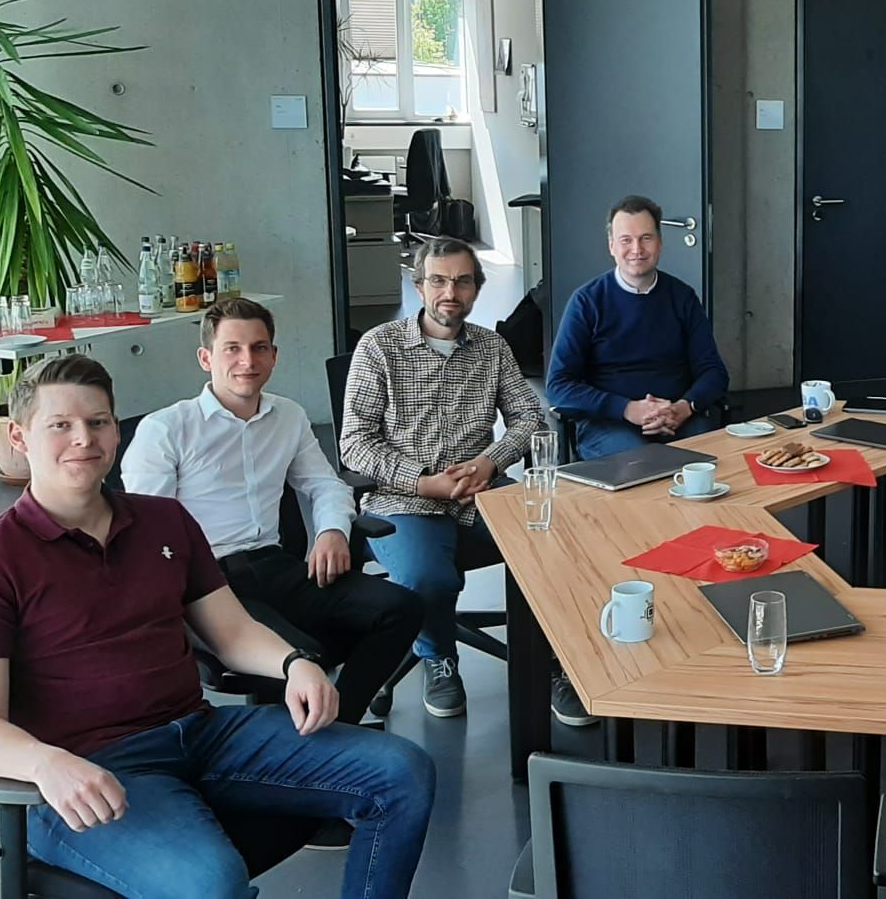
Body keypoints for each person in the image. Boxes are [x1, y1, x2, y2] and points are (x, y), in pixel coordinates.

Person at [0, 355, 434, 899]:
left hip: (198, 733)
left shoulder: (163, 521)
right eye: (61, 425)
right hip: (85, 773)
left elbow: (231, 632)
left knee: (401, 771)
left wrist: (294, 664)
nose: (84, 438)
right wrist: (45, 763)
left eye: (98, 422)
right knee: (210, 883)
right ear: (18, 435)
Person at [122, 297, 423, 731]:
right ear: (206, 358)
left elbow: (324, 485)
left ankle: (341, 729)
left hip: (275, 566)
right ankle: (309, 742)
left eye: (260, 348)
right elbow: (150, 533)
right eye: (233, 349)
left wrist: (333, 532)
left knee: (402, 607)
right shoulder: (167, 429)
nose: (248, 360)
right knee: (302, 656)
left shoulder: (288, 416)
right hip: (209, 584)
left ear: (274, 355)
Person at [341, 236, 544, 720]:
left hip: (482, 491)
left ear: (476, 288)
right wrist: (422, 480)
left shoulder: (492, 347)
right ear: (419, 286)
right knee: (429, 577)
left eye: (462, 281)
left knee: (553, 543)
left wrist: (492, 461)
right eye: (438, 280)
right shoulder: (379, 346)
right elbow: (354, 443)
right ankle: (440, 657)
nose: (449, 292)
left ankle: (548, 663)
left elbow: (528, 417)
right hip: (403, 499)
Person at [545, 194, 730, 460]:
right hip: (610, 423)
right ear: (611, 246)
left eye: (646, 238)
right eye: (626, 240)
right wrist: (627, 409)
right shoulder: (587, 302)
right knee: (643, 464)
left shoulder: (682, 297)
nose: (637, 249)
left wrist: (684, 407)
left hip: (679, 417)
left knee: (706, 465)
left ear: (660, 243)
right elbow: (558, 386)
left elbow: (713, 371)